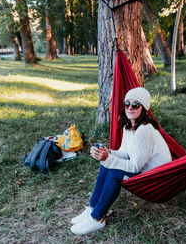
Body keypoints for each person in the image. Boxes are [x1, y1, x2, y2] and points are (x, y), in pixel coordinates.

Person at [70, 87, 172, 235]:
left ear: (143, 109)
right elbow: (125, 153)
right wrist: (108, 153)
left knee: (114, 171)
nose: (130, 108)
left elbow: (135, 165)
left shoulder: (144, 130)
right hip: (144, 170)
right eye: (127, 104)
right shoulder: (129, 126)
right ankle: (93, 208)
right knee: (108, 163)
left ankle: (97, 219)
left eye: (135, 105)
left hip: (156, 179)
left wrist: (109, 158)